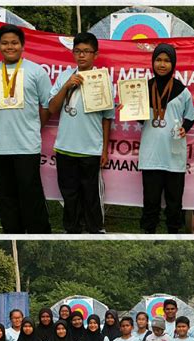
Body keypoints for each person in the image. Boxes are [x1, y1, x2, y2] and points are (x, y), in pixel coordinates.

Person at [0, 24, 51, 234]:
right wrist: (1, 125)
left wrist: (34, 126)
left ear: (22, 45)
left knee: (31, 194)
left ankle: (39, 234)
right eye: (5, 43)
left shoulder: (36, 71)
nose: (10, 47)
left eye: (14, 43)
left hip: (27, 146)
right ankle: (12, 232)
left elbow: (47, 105)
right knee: (7, 196)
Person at [49, 32, 114, 234]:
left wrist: (104, 149)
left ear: (95, 55)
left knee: (91, 193)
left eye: (87, 52)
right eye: (78, 51)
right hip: (65, 147)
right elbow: (52, 108)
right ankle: (72, 229)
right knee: (69, 193)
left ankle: (95, 228)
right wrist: (67, 85)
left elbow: (107, 118)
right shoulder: (64, 76)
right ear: (73, 53)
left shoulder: (103, 80)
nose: (82, 55)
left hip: (90, 149)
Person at [138, 43, 194, 234]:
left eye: (167, 60)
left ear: (173, 64)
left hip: (174, 155)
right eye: (158, 60)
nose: (162, 64)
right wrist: (129, 109)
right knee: (150, 201)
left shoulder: (182, 90)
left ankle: (173, 234)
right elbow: (139, 118)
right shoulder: (144, 88)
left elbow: (190, 116)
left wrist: (184, 129)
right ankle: (148, 233)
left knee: (174, 202)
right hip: (151, 155)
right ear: (152, 62)